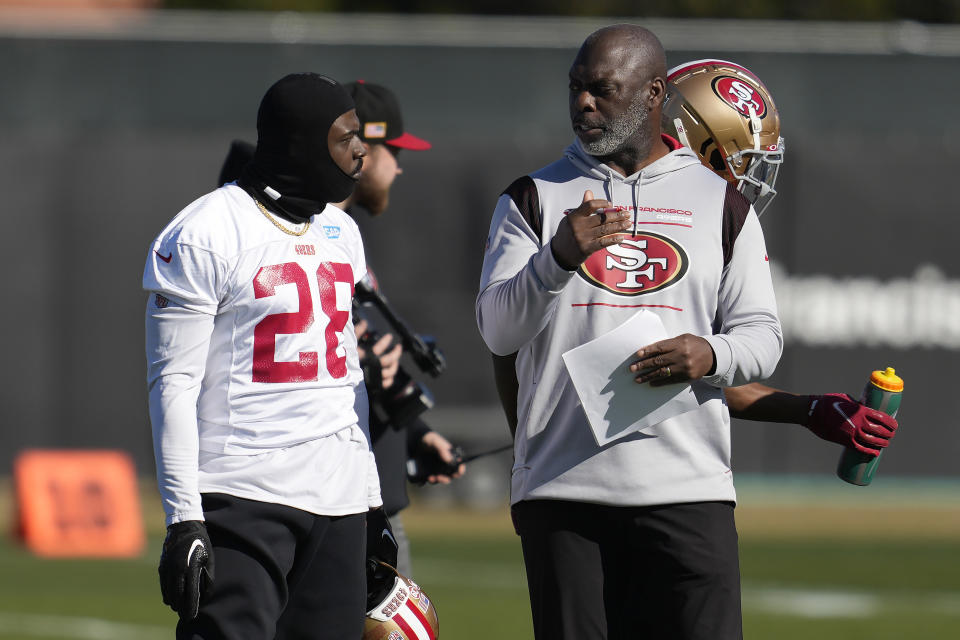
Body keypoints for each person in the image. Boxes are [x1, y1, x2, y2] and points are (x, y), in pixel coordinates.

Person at [476, 24, 783, 639]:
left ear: (653, 95)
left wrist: (710, 353)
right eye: (576, 89)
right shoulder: (532, 198)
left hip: (689, 491)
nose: (583, 104)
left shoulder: (722, 203)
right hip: (564, 494)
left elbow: (763, 338)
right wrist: (555, 259)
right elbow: (498, 332)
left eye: (603, 90)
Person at [491, 58, 899, 457]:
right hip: (569, 473)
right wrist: (525, 451)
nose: (746, 178)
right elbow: (511, 343)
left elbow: (673, 372)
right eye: (737, 161)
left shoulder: (716, 214)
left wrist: (808, 409)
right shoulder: (558, 200)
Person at [144, 72, 393, 640]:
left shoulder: (341, 230)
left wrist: (372, 499)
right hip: (244, 493)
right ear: (302, 143)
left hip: (339, 496)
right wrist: (184, 519)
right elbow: (173, 385)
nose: (361, 151)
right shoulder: (206, 231)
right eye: (346, 137)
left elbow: (346, 378)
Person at [336, 79, 465, 577]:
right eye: (394, 150)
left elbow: (364, 364)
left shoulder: (344, 238)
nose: (400, 165)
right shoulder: (313, 238)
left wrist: (415, 434)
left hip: (375, 497)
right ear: (362, 150)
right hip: (348, 506)